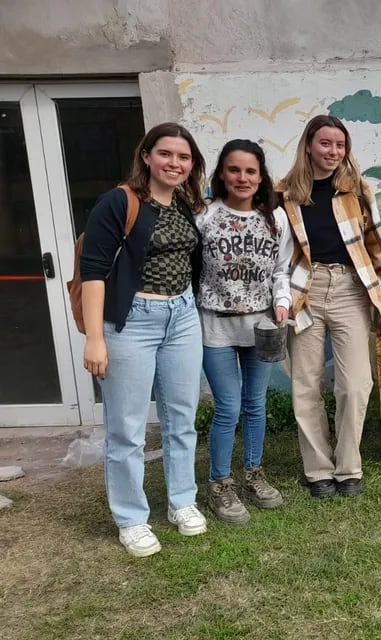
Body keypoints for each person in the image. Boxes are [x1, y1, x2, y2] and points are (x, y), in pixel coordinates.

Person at [277, 115, 381, 499]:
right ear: (308, 144)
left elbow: (376, 239)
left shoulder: (356, 190)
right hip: (303, 290)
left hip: (349, 289)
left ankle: (348, 468)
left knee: (356, 384)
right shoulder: (284, 194)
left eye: (340, 145)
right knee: (306, 384)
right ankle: (318, 472)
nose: (333, 152)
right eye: (325, 143)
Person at [79, 122, 208, 557]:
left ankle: (181, 502)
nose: (175, 163)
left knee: (181, 419)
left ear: (192, 165)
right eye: (167, 154)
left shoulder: (186, 203)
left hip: (183, 317)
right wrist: (95, 338)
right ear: (147, 156)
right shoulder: (119, 202)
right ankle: (132, 519)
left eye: (184, 157)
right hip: (131, 321)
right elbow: (94, 272)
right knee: (127, 429)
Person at [197, 139, 293, 525]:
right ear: (222, 173)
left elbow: (281, 270)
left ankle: (253, 472)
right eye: (234, 170)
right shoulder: (203, 215)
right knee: (228, 407)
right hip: (215, 327)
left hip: (262, 327)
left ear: (261, 176)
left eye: (250, 171)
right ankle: (220, 483)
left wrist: (283, 302)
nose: (242, 177)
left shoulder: (277, 218)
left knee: (255, 404)